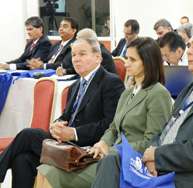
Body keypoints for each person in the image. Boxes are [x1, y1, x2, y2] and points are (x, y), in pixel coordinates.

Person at [92, 22, 193, 188]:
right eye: (189, 45)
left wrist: (159, 157)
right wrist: (151, 154)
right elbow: (163, 130)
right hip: (167, 165)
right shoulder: (191, 88)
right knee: (111, 161)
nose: (188, 51)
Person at [36, 37, 173, 188]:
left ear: (148, 62)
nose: (126, 63)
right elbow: (113, 127)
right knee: (45, 169)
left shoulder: (158, 94)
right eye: (127, 58)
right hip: (111, 155)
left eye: (132, 60)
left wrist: (110, 148)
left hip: (130, 162)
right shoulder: (128, 93)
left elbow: (152, 141)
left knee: (52, 173)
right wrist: (102, 143)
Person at [0, 38, 125, 188]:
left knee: (27, 134)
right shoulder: (75, 85)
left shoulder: (111, 82)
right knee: (22, 159)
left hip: (87, 148)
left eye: (82, 54)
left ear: (98, 57)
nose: (76, 59)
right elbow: (65, 117)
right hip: (65, 144)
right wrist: (56, 125)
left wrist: (74, 133)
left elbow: (111, 124)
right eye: (73, 55)